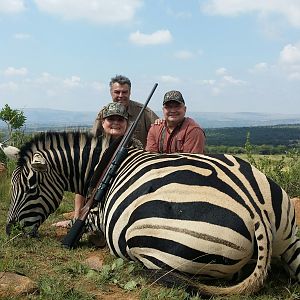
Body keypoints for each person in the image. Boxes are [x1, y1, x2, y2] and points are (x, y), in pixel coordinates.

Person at [54, 102, 142, 229]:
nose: (115, 122)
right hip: (96, 200)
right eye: (111, 119)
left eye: (120, 119)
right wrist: (78, 216)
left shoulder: (136, 146)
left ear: (126, 123)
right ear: (102, 122)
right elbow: (81, 186)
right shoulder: (91, 148)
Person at [91, 75, 158, 147]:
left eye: (124, 92)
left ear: (130, 92)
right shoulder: (103, 113)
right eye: (117, 92)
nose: (121, 95)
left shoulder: (144, 112)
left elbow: (159, 132)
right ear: (111, 92)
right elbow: (93, 138)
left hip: (137, 156)